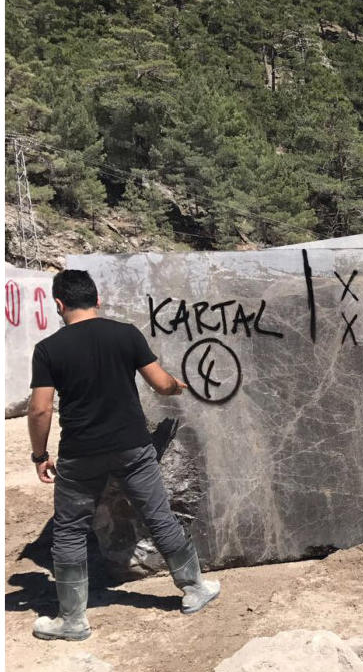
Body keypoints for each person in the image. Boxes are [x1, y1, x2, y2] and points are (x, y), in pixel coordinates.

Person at [26, 269, 220, 641]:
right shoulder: (125, 334)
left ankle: (72, 620)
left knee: (69, 530)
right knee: (159, 516)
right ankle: (195, 589)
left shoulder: (48, 349)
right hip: (132, 447)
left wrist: (40, 455)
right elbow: (161, 383)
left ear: (59, 304)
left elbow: (40, 410)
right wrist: (175, 387)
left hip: (80, 454)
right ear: (97, 300)